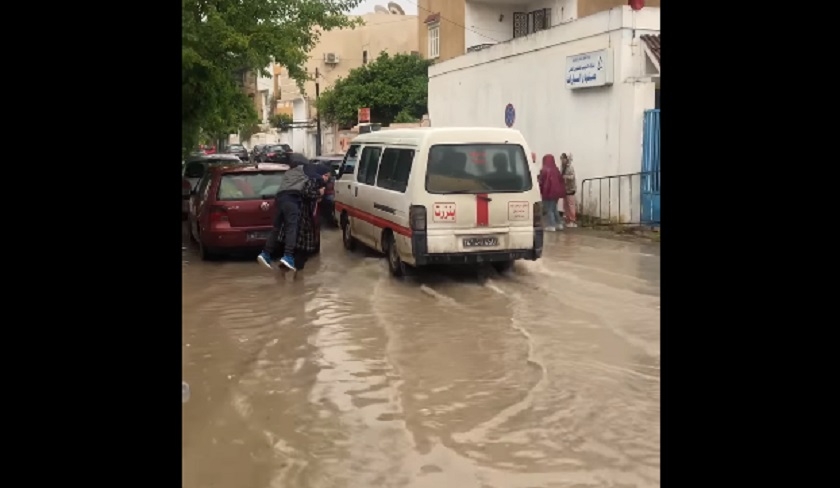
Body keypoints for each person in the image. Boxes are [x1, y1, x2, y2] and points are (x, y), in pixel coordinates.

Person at [257, 158, 329, 271]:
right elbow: (308, 190)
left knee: (276, 228)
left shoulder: (289, 173)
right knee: (292, 228)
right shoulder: (307, 171)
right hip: (292, 202)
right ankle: (288, 256)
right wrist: (320, 186)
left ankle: (265, 253)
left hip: (280, 199)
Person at [538, 154, 565, 231]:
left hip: (548, 192)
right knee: (554, 208)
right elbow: (561, 181)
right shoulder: (556, 170)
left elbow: (542, 182)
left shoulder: (544, 170)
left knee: (549, 209)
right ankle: (559, 224)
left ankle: (551, 225)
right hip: (557, 193)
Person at [560, 153, 577, 227]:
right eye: (561, 158)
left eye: (564, 158)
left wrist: (565, 177)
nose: (562, 160)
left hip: (570, 189)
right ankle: (567, 219)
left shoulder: (570, 167)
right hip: (564, 189)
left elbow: (572, 177)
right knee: (565, 206)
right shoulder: (562, 167)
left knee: (571, 205)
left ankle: (572, 220)